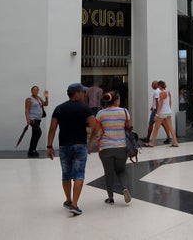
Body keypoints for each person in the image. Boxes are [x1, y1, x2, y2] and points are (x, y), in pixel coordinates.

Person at [46, 83, 95, 216]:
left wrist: (49, 146)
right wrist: (90, 140)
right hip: (80, 145)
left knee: (66, 174)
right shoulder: (85, 108)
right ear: (77, 93)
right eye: (83, 92)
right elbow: (94, 126)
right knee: (79, 174)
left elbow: (52, 128)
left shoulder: (59, 108)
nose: (85, 94)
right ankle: (74, 204)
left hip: (64, 146)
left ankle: (68, 200)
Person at [89, 91, 132, 205]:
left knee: (108, 173)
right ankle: (124, 188)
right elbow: (128, 127)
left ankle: (110, 197)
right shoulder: (124, 111)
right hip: (121, 147)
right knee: (121, 170)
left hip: (105, 147)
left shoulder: (101, 113)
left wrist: (90, 144)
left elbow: (95, 130)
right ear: (117, 100)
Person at [144, 80, 179, 147]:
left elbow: (160, 105)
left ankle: (152, 143)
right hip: (168, 112)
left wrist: (157, 114)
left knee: (156, 128)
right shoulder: (168, 92)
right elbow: (170, 102)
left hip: (162, 113)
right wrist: (168, 109)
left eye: (158, 86)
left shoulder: (161, 93)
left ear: (159, 86)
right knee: (171, 127)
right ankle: (175, 142)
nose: (158, 88)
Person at [24, 86, 49, 158]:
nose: (36, 91)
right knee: (38, 132)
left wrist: (46, 97)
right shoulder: (29, 99)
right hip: (33, 119)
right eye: (34, 90)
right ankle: (32, 150)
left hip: (38, 120)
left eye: (37, 90)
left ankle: (31, 150)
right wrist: (28, 119)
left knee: (34, 134)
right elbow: (26, 109)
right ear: (31, 91)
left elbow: (45, 104)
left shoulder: (39, 98)